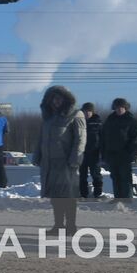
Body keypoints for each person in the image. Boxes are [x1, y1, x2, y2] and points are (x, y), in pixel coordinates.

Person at [32, 86, 86, 234]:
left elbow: (80, 139)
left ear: (65, 100)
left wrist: (75, 158)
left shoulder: (76, 114)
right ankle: (58, 225)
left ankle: (71, 226)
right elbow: (42, 138)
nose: (55, 102)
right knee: (55, 196)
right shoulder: (49, 118)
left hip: (66, 162)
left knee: (68, 195)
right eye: (52, 99)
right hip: (50, 162)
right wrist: (37, 155)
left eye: (58, 98)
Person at [101, 98, 137, 200]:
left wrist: (129, 150)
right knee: (115, 177)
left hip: (124, 155)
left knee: (125, 178)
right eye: (117, 107)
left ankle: (127, 199)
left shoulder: (130, 120)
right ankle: (117, 199)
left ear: (125, 108)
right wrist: (104, 152)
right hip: (112, 154)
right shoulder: (110, 119)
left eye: (121, 107)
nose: (119, 110)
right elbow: (103, 136)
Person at [78, 102, 103, 199]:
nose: (87, 113)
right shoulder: (79, 121)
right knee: (82, 174)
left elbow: (103, 137)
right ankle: (83, 193)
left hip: (94, 152)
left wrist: (102, 150)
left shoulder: (97, 122)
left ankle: (98, 192)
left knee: (95, 173)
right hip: (82, 152)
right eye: (85, 111)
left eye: (89, 111)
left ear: (92, 112)